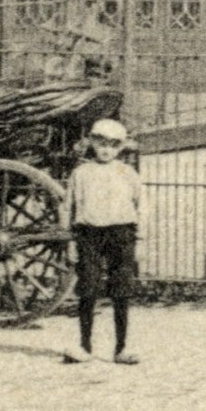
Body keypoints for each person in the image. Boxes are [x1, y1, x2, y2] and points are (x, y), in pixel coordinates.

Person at [63, 116, 142, 366]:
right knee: (88, 287)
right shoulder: (80, 173)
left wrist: (141, 238)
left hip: (121, 234)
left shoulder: (127, 173)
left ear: (120, 148)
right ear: (92, 144)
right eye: (101, 144)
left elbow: (142, 205)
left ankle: (121, 348)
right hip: (89, 234)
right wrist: (69, 241)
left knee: (121, 290)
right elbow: (68, 207)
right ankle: (84, 346)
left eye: (113, 145)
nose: (106, 150)